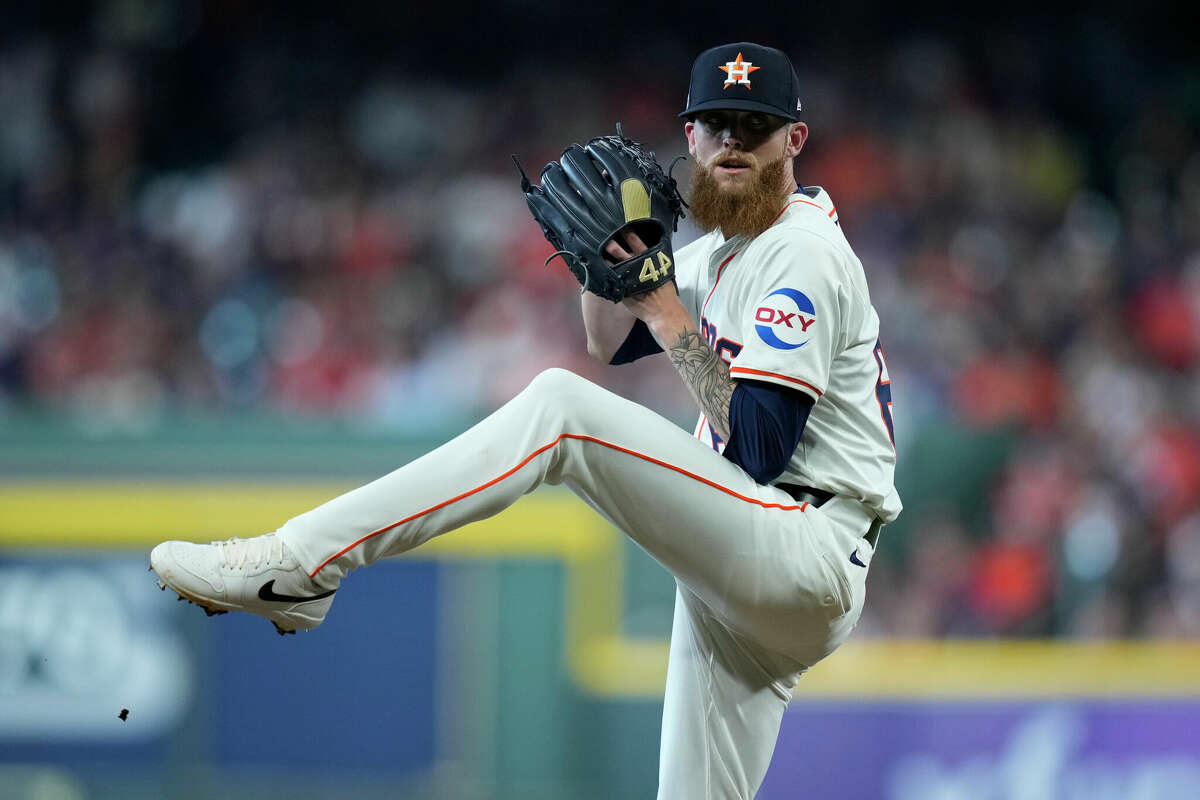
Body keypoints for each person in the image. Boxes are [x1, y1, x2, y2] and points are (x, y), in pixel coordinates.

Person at [150, 41, 900, 799]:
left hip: (804, 543)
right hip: (749, 572)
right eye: (718, 124)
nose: (733, 143)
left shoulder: (802, 250)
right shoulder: (726, 253)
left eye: (754, 124)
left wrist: (665, 306)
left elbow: (763, 448)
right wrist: (604, 258)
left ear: (793, 141)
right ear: (691, 138)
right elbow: (607, 343)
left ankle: (302, 562)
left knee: (559, 410)